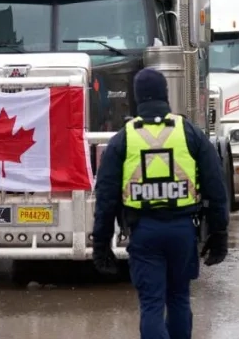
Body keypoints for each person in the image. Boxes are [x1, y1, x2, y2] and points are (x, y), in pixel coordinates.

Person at [92, 68, 230, 339]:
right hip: (182, 230)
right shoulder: (189, 132)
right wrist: (219, 234)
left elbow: (106, 197)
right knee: (179, 298)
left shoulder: (124, 138)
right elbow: (216, 186)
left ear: (136, 98)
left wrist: (101, 245)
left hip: (144, 232)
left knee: (152, 304)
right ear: (166, 95)